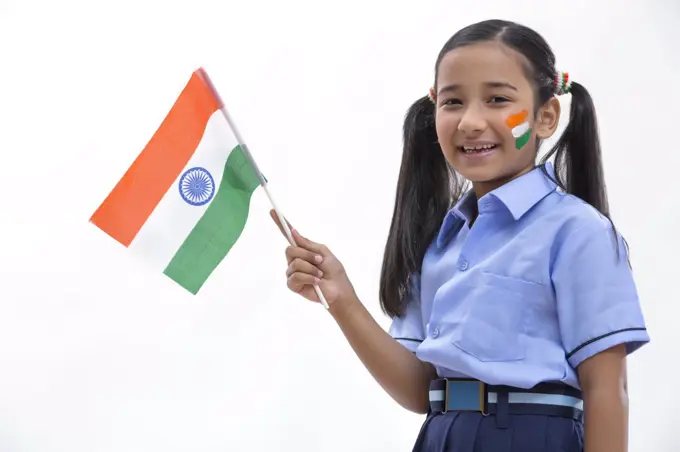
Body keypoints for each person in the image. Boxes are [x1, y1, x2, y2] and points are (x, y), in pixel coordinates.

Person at [270, 19, 649, 452]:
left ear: (547, 116)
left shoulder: (577, 231)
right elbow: (418, 390)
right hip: (440, 436)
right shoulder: (440, 243)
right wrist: (341, 299)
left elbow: (606, 390)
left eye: (498, 99)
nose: (470, 121)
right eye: (453, 102)